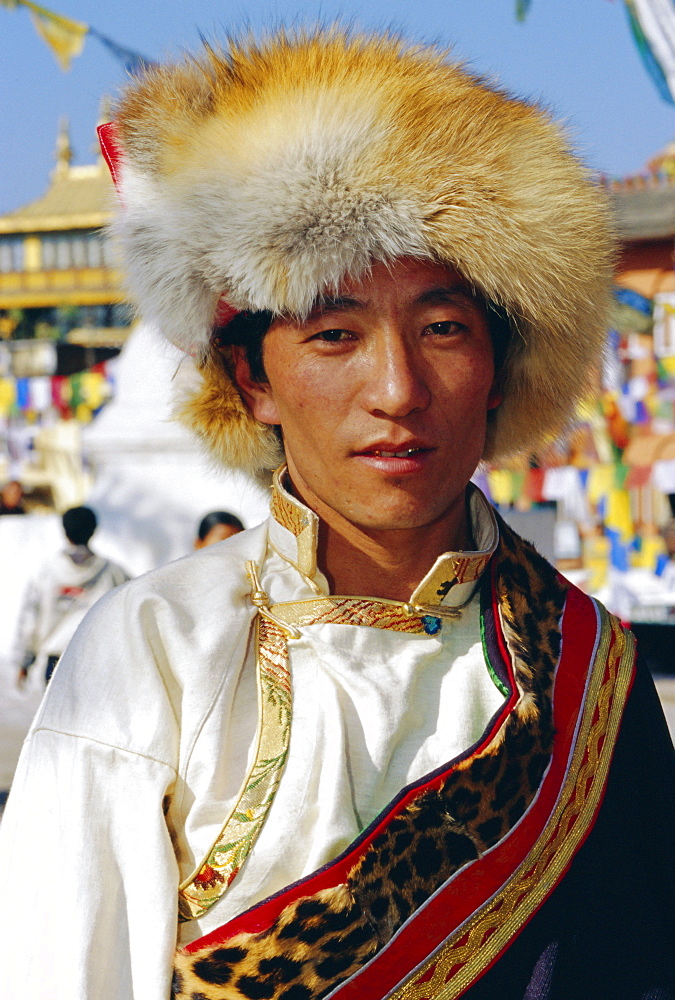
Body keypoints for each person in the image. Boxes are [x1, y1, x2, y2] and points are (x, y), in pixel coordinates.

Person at [0, 27, 673, 1000]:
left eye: (443, 327)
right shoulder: (152, 653)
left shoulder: (591, 673)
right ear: (253, 378)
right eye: (333, 334)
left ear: (498, 365)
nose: (397, 388)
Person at [13, 505, 130, 686]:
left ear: (64, 531)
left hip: (56, 663)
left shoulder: (47, 572)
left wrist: (25, 662)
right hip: (96, 663)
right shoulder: (113, 573)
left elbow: (31, 619)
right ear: (93, 531)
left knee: (57, 714)